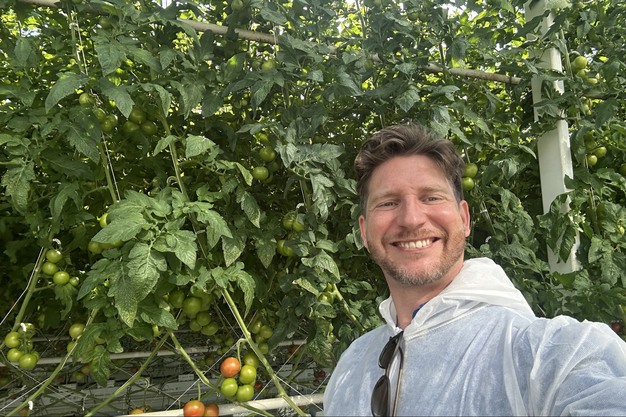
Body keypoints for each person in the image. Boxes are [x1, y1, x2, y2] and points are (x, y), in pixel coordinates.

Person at [322, 123, 626, 416]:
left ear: (464, 219)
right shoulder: (351, 366)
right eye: (388, 203)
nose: (411, 219)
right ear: (364, 232)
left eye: (431, 197)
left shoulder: (547, 352)